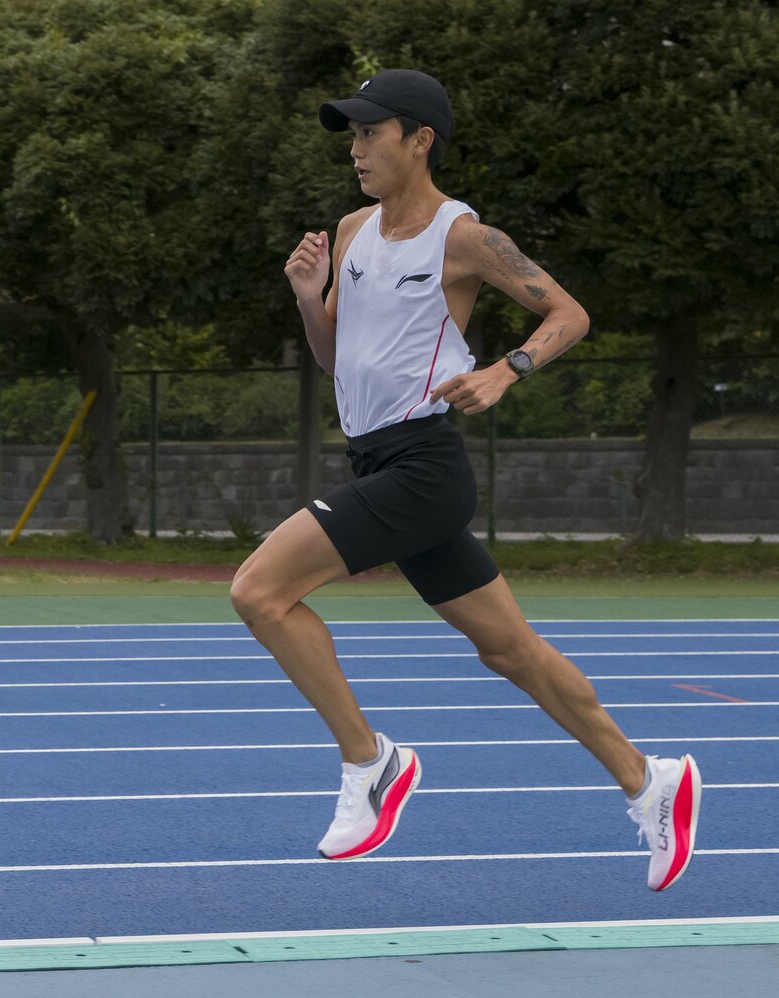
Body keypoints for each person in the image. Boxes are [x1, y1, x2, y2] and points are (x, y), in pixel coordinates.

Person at [229, 69, 701, 891]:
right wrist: (310, 299)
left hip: (425, 466)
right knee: (511, 650)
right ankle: (647, 779)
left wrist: (506, 370)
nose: (356, 148)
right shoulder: (348, 232)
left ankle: (369, 761)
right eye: (351, 134)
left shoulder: (466, 237)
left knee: (260, 592)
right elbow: (339, 359)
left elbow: (570, 314)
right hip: (375, 458)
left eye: (371, 133)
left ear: (420, 140)